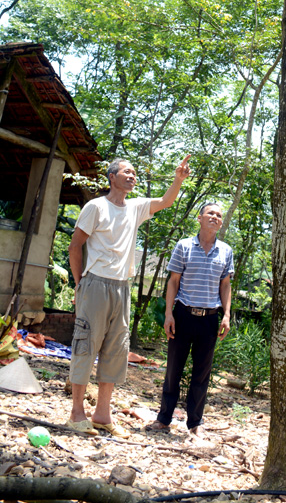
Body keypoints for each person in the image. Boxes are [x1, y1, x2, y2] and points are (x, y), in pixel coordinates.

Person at [66, 155, 191, 437]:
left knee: (115, 350)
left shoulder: (135, 207)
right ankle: (76, 413)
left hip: (123, 287)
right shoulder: (95, 206)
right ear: (112, 177)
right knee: (86, 345)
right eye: (127, 172)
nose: (132, 176)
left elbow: (165, 201)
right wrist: (79, 284)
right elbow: (75, 247)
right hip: (95, 284)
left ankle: (102, 415)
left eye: (134, 172)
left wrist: (178, 179)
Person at [147, 202, 233, 437]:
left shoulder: (225, 251)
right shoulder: (184, 246)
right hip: (183, 315)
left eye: (218, 215)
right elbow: (173, 281)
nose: (214, 217)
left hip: (210, 319)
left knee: (202, 373)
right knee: (173, 369)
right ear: (200, 218)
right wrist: (168, 314)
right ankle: (164, 419)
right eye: (210, 213)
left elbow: (225, 285)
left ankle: (195, 423)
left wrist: (226, 315)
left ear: (221, 222)